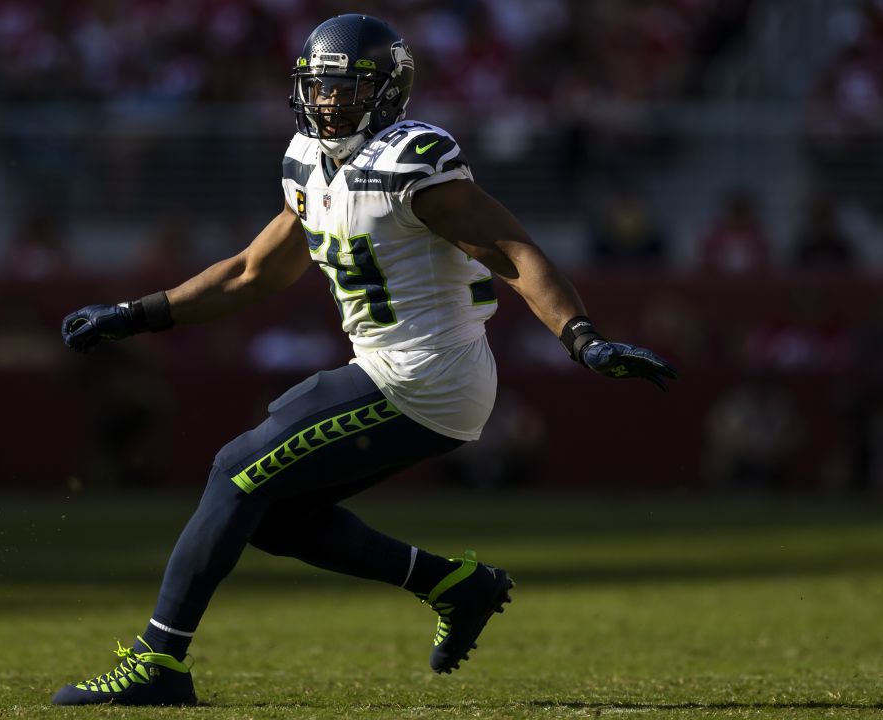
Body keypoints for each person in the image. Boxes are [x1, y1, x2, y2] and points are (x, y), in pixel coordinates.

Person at [52, 14, 676, 707]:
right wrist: (134, 314)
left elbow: (512, 251)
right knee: (276, 517)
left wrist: (581, 335)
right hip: (386, 369)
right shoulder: (306, 160)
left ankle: (157, 662)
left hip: (425, 374)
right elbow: (252, 272)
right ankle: (454, 585)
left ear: (387, 93)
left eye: (343, 89)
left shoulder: (412, 160)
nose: (324, 102)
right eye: (316, 87)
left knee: (235, 471)